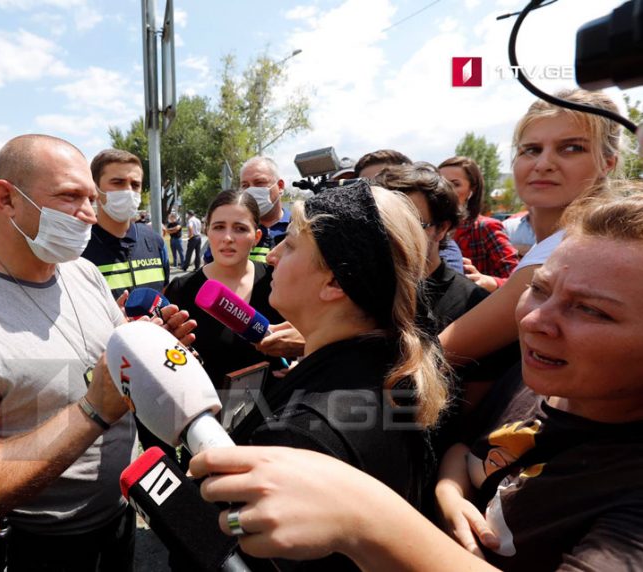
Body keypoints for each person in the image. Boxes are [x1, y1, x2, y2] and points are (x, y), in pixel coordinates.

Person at [191, 190, 643, 571]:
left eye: (591, 309)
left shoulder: (302, 430)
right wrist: (450, 488)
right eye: (538, 288)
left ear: (334, 282)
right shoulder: (534, 384)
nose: (535, 320)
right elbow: (471, 450)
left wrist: (364, 515)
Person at [0, 134, 194, 571]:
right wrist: (93, 411)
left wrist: (148, 347)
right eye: (70, 197)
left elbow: (98, 366)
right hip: (31, 547)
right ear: (6, 199)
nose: (90, 215)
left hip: (120, 520)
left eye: (91, 198)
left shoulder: (83, 273)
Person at [226, 180, 450, 571]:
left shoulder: (298, 433)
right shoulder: (396, 368)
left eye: (291, 245)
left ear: (334, 282)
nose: (272, 257)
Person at [440, 89, 621, 367]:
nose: (543, 164)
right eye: (532, 150)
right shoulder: (556, 241)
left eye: (572, 148)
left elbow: (441, 353)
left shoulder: (578, 249)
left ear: (608, 163)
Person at [164, 190, 283, 390]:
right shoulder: (181, 289)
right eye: (219, 227)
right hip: (208, 412)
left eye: (240, 228)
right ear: (207, 231)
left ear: (257, 236)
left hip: (275, 410)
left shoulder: (276, 280)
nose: (228, 238)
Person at [373, 164, 489, 331]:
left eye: (409, 224)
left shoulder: (474, 307)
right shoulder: (358, 295)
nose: (391, 234)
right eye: (381, 222)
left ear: (441, 229)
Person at [81, 148, 169, 300]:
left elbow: (164, 294)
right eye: (118, 182)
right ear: (95, 188)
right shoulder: (79, 247)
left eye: (135, 185)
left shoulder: (154, 241)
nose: (128, 191)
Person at [438, 156, 518, 292]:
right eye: (440, 183)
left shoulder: (486, 227)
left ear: (472, 190)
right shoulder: (428, 227)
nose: (445, 190)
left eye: (455, 184)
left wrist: (488, 281)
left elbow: (518, 281)